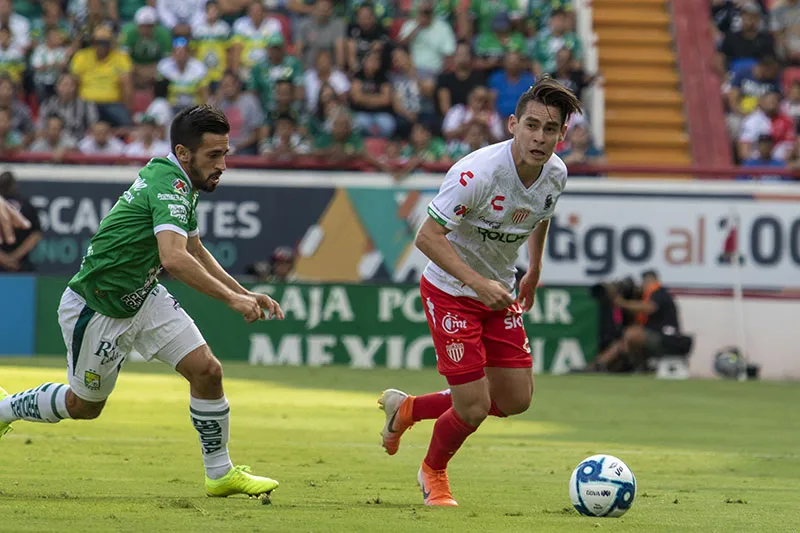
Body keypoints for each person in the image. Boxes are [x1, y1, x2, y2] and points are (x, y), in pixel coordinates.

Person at [0, 105, 285, 499]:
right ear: (184, 153)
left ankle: (220, 473)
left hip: (143, 295)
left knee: (207, 371)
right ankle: (6, 408)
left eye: (225, 154)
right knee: (84, 405)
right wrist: (232, 302)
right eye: (214, 156)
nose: (223, 165)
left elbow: (195, 247)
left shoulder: (180, 180)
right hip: (98, 306)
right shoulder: (170, 185)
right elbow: (174, 258)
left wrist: (243, 292)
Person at [377, 77, 581, 506]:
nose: (539, 138)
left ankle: (409, 409)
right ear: (512, 125)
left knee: (516, 399)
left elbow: (541, 214)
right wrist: (477, 283)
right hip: (452, 291)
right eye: (531, 125)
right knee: (471, 407)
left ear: (562, 135)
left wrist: (535, 268)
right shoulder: (477, 174)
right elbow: (427, 237)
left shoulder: (556, 174)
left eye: (550, 130)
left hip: (499, 290)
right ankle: (433, 471)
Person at [585, 270, 683, 373]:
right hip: (656, 336)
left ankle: (600, 364)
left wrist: (623, 303)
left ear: (649, 280)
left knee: (631, 334)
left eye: (644, 282)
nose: (642, 285)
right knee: (624, 339)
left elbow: (649, 307)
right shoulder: (648, 295)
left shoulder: (659, 292)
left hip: (667, 337)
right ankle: (601, 364)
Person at [0, 171, 41, 272]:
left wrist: (5, 259)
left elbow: (35, 234)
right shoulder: (27, 205)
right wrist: (13, 258)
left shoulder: (26, 206)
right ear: (14, 185)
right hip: (21, 263)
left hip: (19, 264)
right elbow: (35, 235)